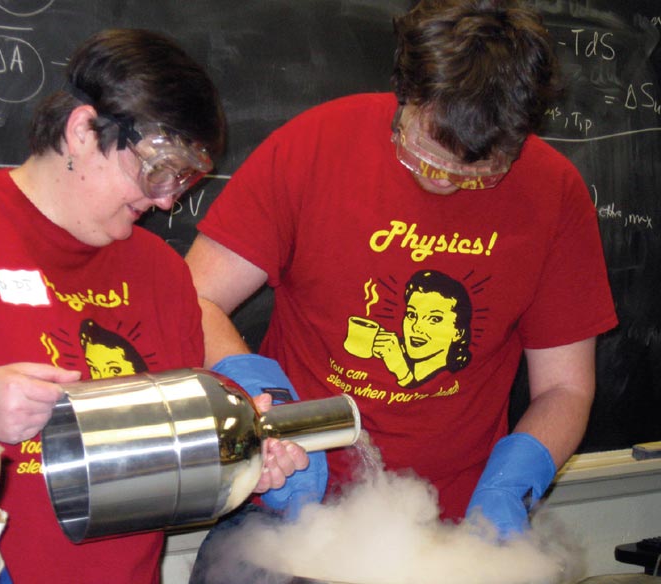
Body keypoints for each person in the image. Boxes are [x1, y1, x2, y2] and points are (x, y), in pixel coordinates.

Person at [0, 28, 305, 583]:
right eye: (156, 169)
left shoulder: (161, 274)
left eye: (184, 180)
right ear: (83, 132)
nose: (168, 200)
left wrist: (238, 465)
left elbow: (160, 474)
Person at [185, 0, 617, 553]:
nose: (443, 183)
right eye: (424, 157)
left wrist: (511, 486)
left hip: (448, 526)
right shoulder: (316, 146)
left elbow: (565, 387)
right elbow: (192, 297)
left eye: (477, 175)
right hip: (280, 501)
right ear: (406, 94)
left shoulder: (554, 193)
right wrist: (253, 392)